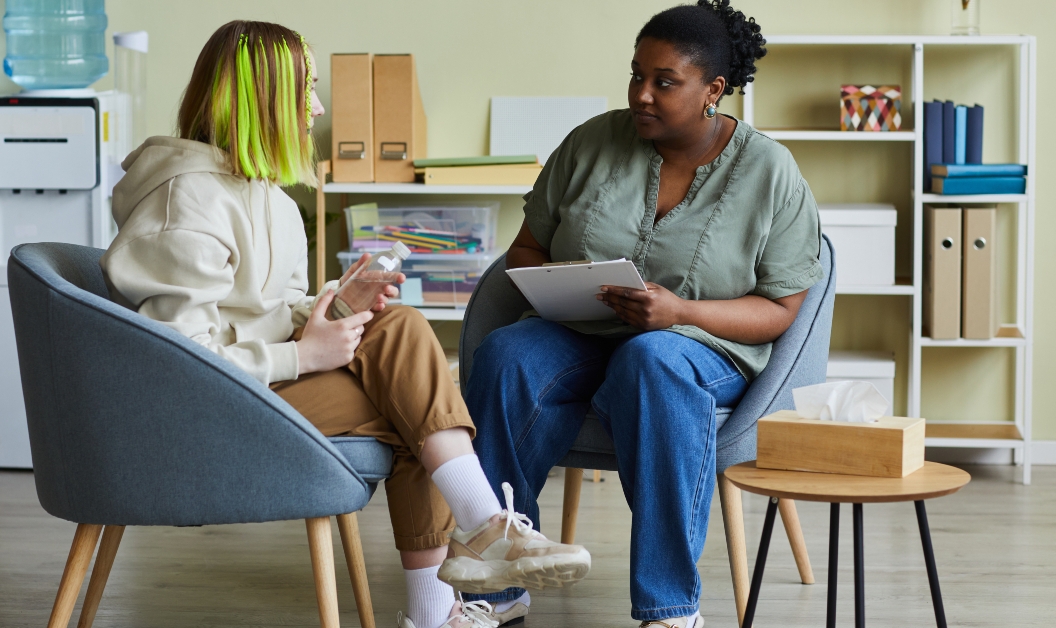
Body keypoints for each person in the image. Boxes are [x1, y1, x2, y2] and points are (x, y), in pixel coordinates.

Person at [98, 20, 589, 628]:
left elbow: (266, 311)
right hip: (198, 411)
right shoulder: (186, 204)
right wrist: (304, 356)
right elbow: (177, 363)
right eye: (305, 90)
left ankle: (471, 555)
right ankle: (471, 556)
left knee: (404, 349)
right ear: (263, 99)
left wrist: (333, 308)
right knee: (415, 405)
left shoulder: (271, 199)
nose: (319, 108)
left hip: (257, 388)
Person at [462, 2, 823, 627]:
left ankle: (671, 608)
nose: (641, 94)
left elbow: (781, 309)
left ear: (713, 89)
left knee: (651, 360)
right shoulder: (590, 142)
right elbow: (526, 249)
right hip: (582, 331)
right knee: (507, 354)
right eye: (636, 75)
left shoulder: (770, 170)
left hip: (702, 347)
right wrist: (557, 287)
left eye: (664, 82)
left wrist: (681, 311)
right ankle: (499, 588)